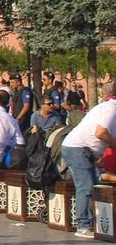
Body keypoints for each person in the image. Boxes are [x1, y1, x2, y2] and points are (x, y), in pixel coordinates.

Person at [60, 92, 116, 239]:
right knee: (85, 186)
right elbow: (101, 133)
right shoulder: (112, 109)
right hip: (78, 149)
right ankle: (83, 226)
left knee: (93, 185)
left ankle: (93, 222)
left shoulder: (107, 107)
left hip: (84, 151)